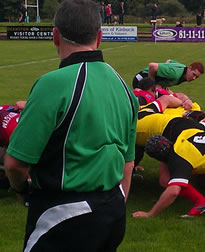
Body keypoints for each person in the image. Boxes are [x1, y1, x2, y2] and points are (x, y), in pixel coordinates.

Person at [4, 0, 139, 250]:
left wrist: (21, 190)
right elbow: (127, 163)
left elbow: (15, 163)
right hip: (113, 211)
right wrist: (118, 202)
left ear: (55, 36)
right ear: (99, 36)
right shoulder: (124, 87)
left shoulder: (51, 83)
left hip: (63, 214)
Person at [132, 60, 204, 89]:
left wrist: (163, 83)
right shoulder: (175, 73)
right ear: (190, 68)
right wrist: (152, 84)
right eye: (194, 74)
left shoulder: (183, 68)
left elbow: (169, 61)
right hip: (141, 80)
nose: (194, 78)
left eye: (196, 77)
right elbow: (152, 66)